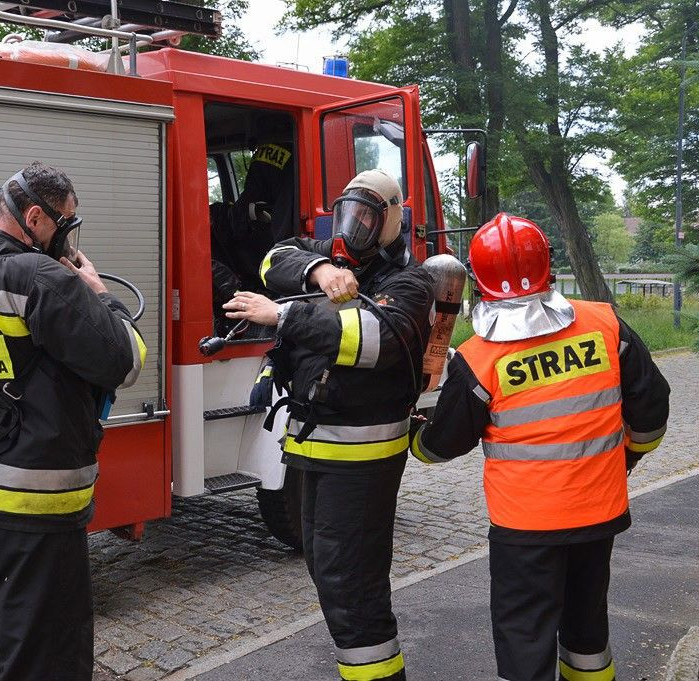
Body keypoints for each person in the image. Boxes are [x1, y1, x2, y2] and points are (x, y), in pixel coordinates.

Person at [410, 213, 670, 681]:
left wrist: (417, 437)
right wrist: (625, 458)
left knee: (525, 638)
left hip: (525, 526)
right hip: (598, 513)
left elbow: (441, 447)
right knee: (587, 631)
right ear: (548, 265)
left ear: (480, 280)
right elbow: (652, 410)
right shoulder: (606, 325)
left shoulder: (480, 358)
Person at [225, 169, 435, 681]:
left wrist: (283, 317)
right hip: (315, 450)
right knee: (326, 569)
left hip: (362, 462)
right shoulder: (331, 257)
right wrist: (320, 270)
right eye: (348, 212)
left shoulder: (410, 283)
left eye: (367, 216)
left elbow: (369, 341)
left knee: (352, 586)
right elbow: (274, 258)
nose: (354, 225)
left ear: (391, 221)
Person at [0, 161, 147, 681]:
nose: (69, 237)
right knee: (46, 664)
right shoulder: (45, 279)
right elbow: (124, 360)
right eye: (64, 223)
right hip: (32, 511)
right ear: (35, 217)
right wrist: (99, 292)